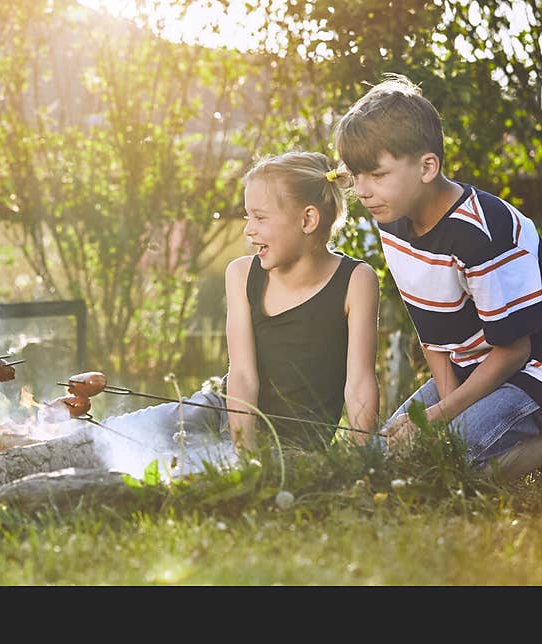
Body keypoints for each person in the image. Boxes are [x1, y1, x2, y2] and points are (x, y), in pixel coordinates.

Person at [334, 73, 542, 477]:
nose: (363, 191)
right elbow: (434, 332)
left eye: (377, 174)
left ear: (426, 167)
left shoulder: (482, 235)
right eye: (356, 175)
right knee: (385, 460)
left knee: (450, 464)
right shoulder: (392, 220)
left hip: (540, 367)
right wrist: (448, 414)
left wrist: (442, 418)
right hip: (472, 365)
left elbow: (516, 351)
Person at [93, 151, 380, 463]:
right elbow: (242, 375)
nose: (248, 230)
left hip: (294, 448)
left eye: (259, 217)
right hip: (224, 414)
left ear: (307, 220)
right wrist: (243, 454)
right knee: (115, 435)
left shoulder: (356, 281)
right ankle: (56, 440)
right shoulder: (242, 274)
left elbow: (360, 382)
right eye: (247, 217)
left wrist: (361, 458)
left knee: (183, 470)